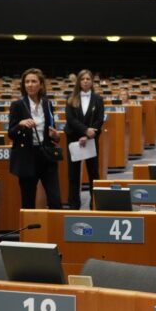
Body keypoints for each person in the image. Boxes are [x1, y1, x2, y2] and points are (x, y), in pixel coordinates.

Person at [8, 68, 62, 209]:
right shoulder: (17, 105)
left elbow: (52, 130)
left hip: (46, 155)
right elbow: (11, 133)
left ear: (41, 84)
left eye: (33, 81)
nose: (30, 85)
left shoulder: (47, 104)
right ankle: (30, 225)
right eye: (27, 82)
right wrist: (20, 124)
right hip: (27, 157)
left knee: (55, 200)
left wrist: (56, 136)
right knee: (28, 201)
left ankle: (55, 224)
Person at [65, 70, 105, 210]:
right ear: (78, 81)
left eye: (88, 79)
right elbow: (70, 119)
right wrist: (85, 131)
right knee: (73, 175)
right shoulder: (71, 98)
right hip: (74, 139)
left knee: (93, 173)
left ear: (92, 81)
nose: (85, 81)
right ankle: (74, 205)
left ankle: (94, 205)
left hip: (91, 140)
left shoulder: (98, 99)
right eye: (83, 79)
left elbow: (99, 120)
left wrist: (87, 135)